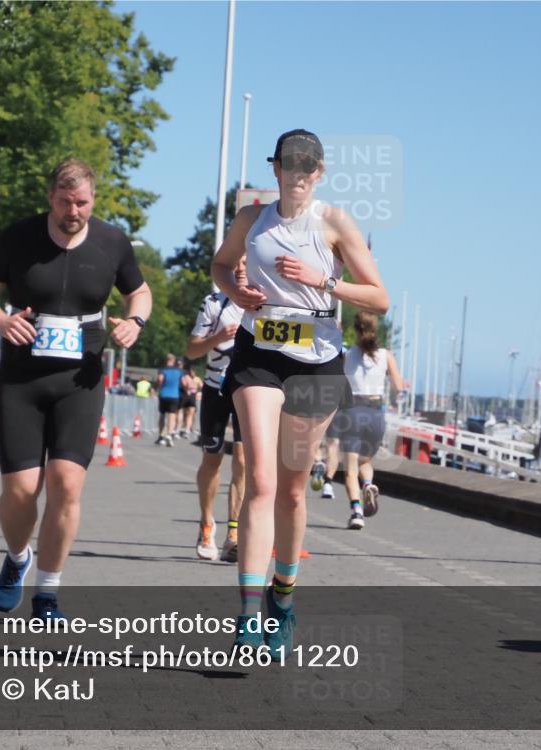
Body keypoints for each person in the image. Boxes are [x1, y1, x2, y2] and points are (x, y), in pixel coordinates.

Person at [211, 129, 389, 659]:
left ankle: (282, 601)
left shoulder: (334, 223)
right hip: (258, 355)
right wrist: (235, 291)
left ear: (320, 173)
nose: (299, 177)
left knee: (291, 489)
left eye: (309, 170)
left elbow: (378, 297)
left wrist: (323, 281)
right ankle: (246, 616)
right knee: (261, 480)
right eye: (291, 168)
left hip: (316, 361)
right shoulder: (251, 219)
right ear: (276, 170)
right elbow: (220, 264)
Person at [0, 158, 151, 620]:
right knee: (21, 491)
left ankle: (48, 590)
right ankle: (16, 559)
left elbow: (140, 292)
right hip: (23, 379)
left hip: (81, 380)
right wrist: (1, 320)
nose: (74, 210)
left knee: (67, 485)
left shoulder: (112, 242)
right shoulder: (18, 238)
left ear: (93, 199)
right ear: (50, 198)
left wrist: (135, 322)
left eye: (83, 202)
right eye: (66, 202)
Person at [185, 256, 248, 562]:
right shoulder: (214, 303)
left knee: (243, 459)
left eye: (248, 262)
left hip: (249, 390)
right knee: (212, 459)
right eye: (238, 263)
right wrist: (218, 338)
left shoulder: (269, 302)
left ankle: (233, 533)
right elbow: (192, 349)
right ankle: (206, 522)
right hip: (215, 388)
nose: (242, 268)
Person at [339, 311, 405, 530]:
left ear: (356, 331)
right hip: (376, 413)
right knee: (365, 462)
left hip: (353, 411)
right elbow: (399, 387)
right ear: (375, 330)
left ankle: (357, 511)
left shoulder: (348, 355)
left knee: (350, 469)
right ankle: (368, 484)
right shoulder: (386, 356)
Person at [155, 353, 182, 446]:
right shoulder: (179, 371)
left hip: (164, 394)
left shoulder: (163, 369)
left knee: (162, 415)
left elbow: (160, 379)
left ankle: (161, 436)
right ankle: (169, 434)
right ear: (173, 361)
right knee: (172, 415)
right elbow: (185, 382)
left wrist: (158, 387)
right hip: (174, 395)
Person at [178, 364, 201, 438]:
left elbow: (202, 386)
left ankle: (187, 430)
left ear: (195, 372)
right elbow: (184, 385)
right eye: (191, 371)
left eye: (193, 371)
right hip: (186, 395)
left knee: (190, 413)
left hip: (192, 396)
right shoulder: (186, 377)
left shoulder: (197, 379)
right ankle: (179, 428)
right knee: (183, 412)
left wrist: (197, 391)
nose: (192, 373)